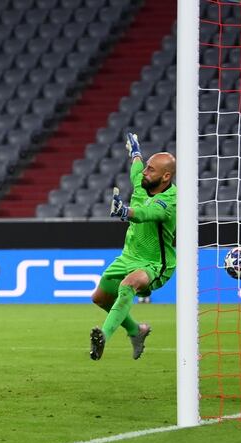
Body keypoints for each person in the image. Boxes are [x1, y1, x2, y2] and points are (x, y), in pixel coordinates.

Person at [89, 133, 177, 360]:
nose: (145, 173)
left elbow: (148, 213)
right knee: (99, 298)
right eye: (147, 167)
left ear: (166, 177)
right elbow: (135, 170)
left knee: (129, 284)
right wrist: (136, 153)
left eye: (152, 170)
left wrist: (126, 212)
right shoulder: (143, 180)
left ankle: (103, 337)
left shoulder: (171, 200)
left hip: (155, 263)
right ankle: (136, 331)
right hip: (128, 256)